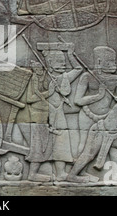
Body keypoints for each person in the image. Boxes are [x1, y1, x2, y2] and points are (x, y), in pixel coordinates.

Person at [41, 44, 83, 181]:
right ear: (50, 63)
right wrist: (51, 90)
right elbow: (34, 97)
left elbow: (78, 68)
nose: (63, 63)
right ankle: (55, 172)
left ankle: (60, 172)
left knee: (62, 139)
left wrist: (70, 54)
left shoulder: (64, 77)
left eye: (64, 60)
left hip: (59, 112)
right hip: (45, 112)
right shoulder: (42, 76)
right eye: (59, 61)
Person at [25, 62, 52, 182]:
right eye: (36, 69)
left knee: (44, 143)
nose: (39, 70)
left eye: (40, 68)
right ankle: (32, 174)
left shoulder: (43, 78)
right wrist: (46, 94)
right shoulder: (33, 79)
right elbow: (29, 99)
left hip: (45, 117)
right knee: (38, 144)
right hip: (37, 117)